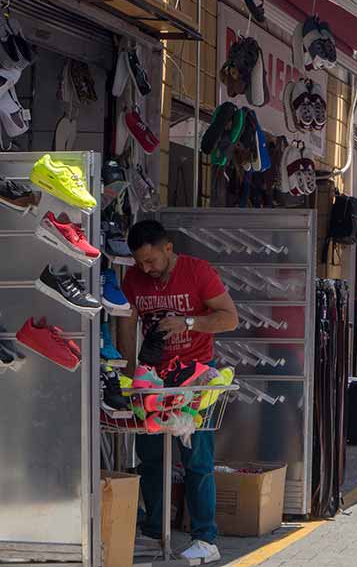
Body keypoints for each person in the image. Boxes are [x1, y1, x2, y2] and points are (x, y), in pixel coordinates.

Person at [117, 220, 239, 564]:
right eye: (140, 262)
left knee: (196, 459)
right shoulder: (134, 280)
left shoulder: (198, 272)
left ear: (168, 248)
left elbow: (230, 318)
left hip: (194, 377)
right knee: (150, 455)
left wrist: (188, 322)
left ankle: (205, 538)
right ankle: (155, 529)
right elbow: (126, 328)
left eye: (151, 260)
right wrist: (129, 378)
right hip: (153, 378)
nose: (146, 268)